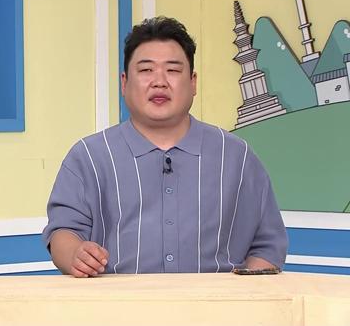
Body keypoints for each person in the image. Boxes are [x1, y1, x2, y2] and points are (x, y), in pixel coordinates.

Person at [42, 17, 287, 277]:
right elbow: (63, 232)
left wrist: (241, 296)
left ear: (193, 82)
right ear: (124, 83)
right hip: (118, 302)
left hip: (214, 302)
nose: (159, 82)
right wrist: (76, 255)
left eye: (172, 70)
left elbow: (267, 244)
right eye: (146, 70)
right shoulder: (89, 157)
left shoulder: (236, 156)